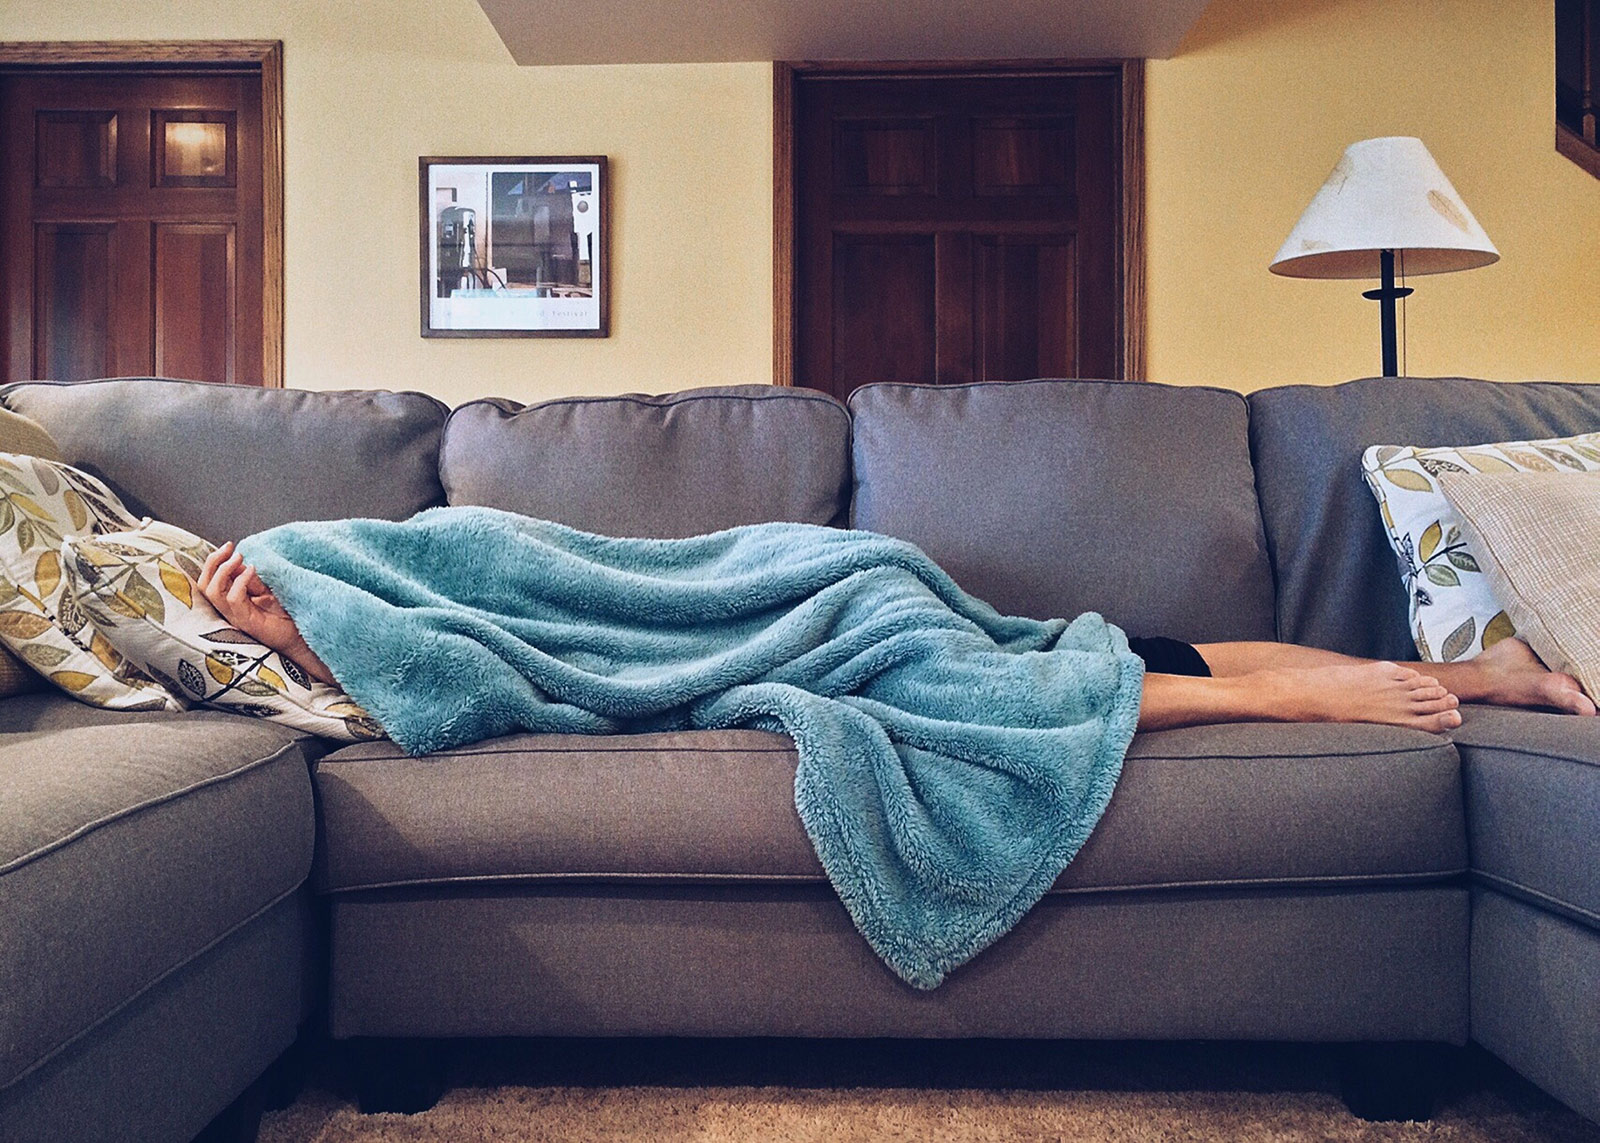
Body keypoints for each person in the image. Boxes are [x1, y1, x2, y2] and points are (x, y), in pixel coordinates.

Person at [196, 539, 1597, 736]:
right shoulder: (355, 591)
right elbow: (480, 666)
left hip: (836, 593)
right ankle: (1479, 675)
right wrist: (309, 636)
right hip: (847, 591)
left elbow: (479, 648)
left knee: (999, 685)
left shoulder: (392, 557)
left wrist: (307, 627)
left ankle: (1308, 701)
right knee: (1097, 651)